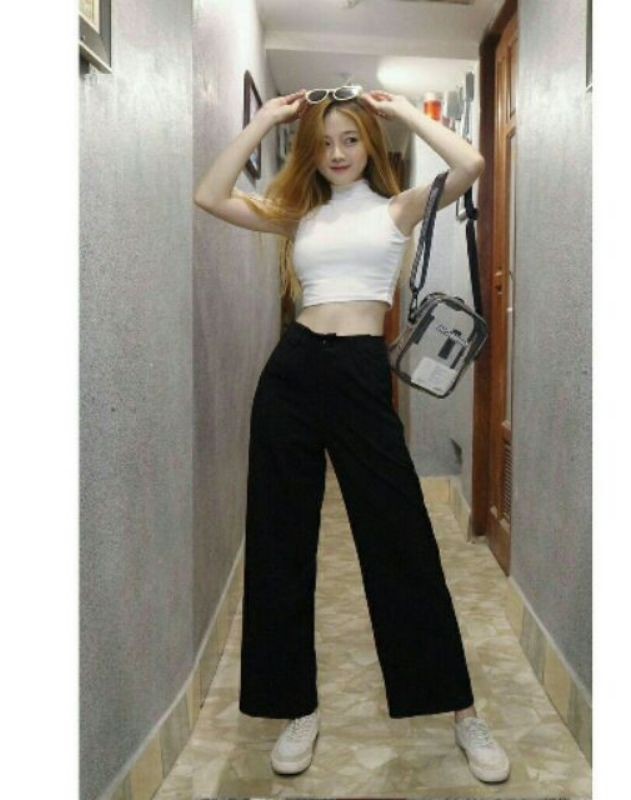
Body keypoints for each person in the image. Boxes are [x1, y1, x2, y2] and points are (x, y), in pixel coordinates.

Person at [193, 86, 510, 785]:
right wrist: (265, 120)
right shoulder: (299, 214)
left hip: (361, 374)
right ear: (312, 150)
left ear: (370, 144)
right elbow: (209, 195)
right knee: (279, 542)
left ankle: (461, 711)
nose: (337, 154)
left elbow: (472, 164)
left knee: (402, 539)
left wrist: (403, 113)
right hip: (291, 375)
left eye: (351, 140)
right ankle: (295, 708)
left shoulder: (397, 209)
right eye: (326, 142)